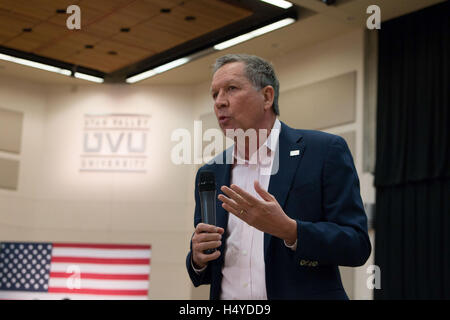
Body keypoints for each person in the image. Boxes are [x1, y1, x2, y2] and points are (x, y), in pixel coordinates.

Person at [185, 54, 371, 300]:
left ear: (267, 96)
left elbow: (356, 245)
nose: (220, 102)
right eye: (215, 94)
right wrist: (197, 258)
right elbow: (209, 271)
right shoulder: (210, 173)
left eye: (231, 89)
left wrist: (291, 231)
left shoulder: (323, 152)